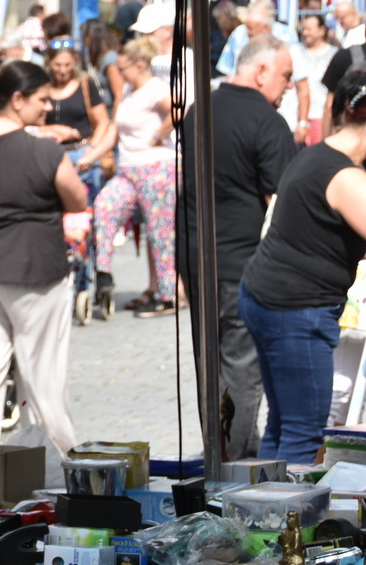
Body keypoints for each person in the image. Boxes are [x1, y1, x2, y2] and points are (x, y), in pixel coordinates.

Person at [0, 60, 89, 452]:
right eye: (42, 99)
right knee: (42, 382)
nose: (48, 107)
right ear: (18, 98)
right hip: (33, 272)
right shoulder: (43, 151)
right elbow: (77, 198)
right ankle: (53, 470)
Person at [238, 67, 366, 463]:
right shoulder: (343, 175)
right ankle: (283, 520)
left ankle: (264, 516)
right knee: (303, 431)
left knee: (282, 423)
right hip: (295, 308)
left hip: (270, 297)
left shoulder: (318, 154)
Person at [178, 35, 295, 460]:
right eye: (285, 77)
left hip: (197, 259)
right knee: (242, 366)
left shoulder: (197, 111)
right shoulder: (267, 122)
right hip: (243, 263)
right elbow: (280, 204)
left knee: (210, 364)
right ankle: (236, 461)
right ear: (260, 71)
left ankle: (217, 451)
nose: (286, 88)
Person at [82, 37, 177, 317]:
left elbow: (177, 111)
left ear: (139, 65)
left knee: (160, 233)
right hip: (128, 169)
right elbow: (114, 128)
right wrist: (92, 155)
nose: (119, 73)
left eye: (123, 68)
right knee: (105, 207)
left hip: (156, 168)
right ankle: (104, 273)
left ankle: (167, 294)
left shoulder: (155, 88)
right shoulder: (127, 89)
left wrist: (158, 135)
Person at [220, 0, 309, 137]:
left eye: (250, 28)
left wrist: (303, 123)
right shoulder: (239, 35)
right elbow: (229, 75)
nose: (247, 32)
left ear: (266, 28)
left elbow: (302, 87)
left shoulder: (287, 40)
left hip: (283, 121)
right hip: (246, 120)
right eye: (246, 26)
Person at [43, 37, 112, 200]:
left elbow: (103, 121)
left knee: (84, 204)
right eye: (57, 65)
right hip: (49, 153)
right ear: (49, 63)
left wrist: (94, 148)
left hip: (82, 152)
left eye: (67, 65)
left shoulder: (85, 84)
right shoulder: (42, 86)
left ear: (75, 62)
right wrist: (52, 129)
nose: (62, 70)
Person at [295, 12, 337, 146]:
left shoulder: (335, 54)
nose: (305, 32)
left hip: (323, 116)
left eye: (309, 29)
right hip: (298, 118)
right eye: (303, 28)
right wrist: (302, 122)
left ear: (321, 30)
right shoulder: (295, 51)